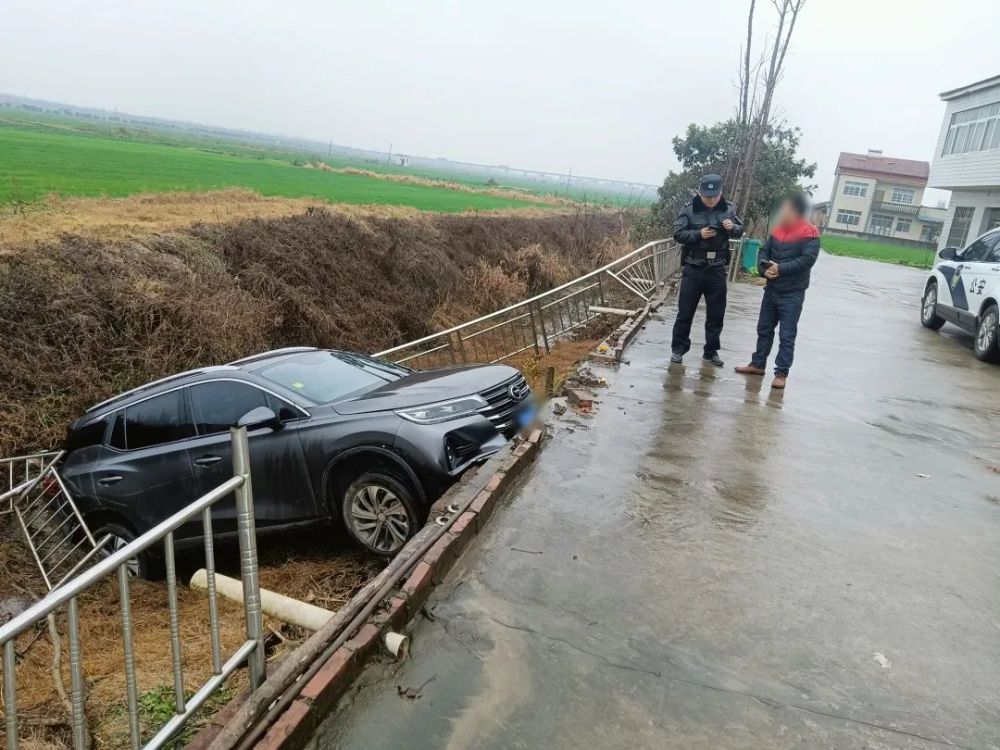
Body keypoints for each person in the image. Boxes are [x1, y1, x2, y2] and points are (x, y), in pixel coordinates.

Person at [735, 193, 820, 389]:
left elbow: (807, 260)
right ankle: (757, 364)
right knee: (764, 329)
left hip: (792, 293)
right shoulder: (778, 229)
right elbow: (764, 252)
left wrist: (779, 268)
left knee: (787, 334)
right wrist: (764, 270)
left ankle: (781, 373)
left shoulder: (810, 232)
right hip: (771, 289)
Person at [670, 174, 744, 366]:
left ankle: (711, 352)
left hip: (717, 268)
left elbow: (740, 230)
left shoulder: (728, 209)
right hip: (694, 267)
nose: (710, 200)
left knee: (716, 314)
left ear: (720, 192)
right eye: (707, 196)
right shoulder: (689, 209)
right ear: (701, 192)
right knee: (685, 312)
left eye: (714, 196)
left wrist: (732, 227)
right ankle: (678, 349)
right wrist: (698, 234)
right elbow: (678, 233)